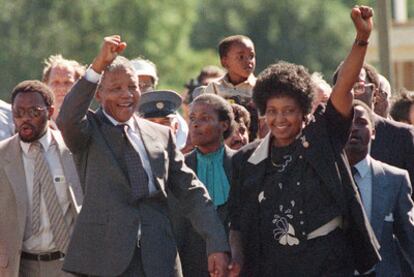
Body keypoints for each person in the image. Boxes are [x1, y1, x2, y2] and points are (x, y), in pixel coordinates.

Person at [56, 35, 230, 277]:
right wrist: (96, 67)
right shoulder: (88, 131)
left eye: (132, 87)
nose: (126, 95)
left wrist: (217, 243)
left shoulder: (160, 135)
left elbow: (191, 192)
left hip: (159, 258)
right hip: (104, 261)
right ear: (99, 94)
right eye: (116, 89)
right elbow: (67, 118)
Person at [228, 6, 380, 276]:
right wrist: (237, 259)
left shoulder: (323, 135)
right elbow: (238, 221)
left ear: (304, 111)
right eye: (272, 111)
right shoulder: (246, 160)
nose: (280, 119)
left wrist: (361, 39)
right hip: (272, 265)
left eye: (288, 111)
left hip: (328, 262)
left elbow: (343, 88)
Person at [0, 80, 82, 277]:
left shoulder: (73, 150)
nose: (24, 119)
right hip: (20, 266)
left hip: (70, 265)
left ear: (50, 111)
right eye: (18, 113)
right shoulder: (2, 156)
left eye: (33, 112)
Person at [345, 100, 414, 276]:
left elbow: (409, 238)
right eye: (348, 122)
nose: (354, 128)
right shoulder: (321, 178)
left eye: (361, 123)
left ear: (373, 132)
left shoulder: (394, 180)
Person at [173, 93, 235, 277]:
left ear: (224, 125)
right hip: (188, 263)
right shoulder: (179, 168)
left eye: (205, 118)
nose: (195, 124)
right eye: (192, 118)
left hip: (234, 263)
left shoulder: (241, 164)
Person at [333, 63, 414, 189]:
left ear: (375, 93)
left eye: (358, 86)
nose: (350, 93)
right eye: (344, 87)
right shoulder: (325, 137)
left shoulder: (403, 137)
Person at [204, 35, 259, 141]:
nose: (249, 61)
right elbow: (207, 121)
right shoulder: (215, 87)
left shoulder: (260, 88)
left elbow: (264, 124)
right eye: (241, 57)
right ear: (224, 62)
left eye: (251, 56)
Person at [42, 54, 86, 121]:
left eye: (67, 82)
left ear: (79, 86)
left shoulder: (92, 124)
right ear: (45, 86)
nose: (61, 88)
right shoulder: (35, 126)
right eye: (55, 82)